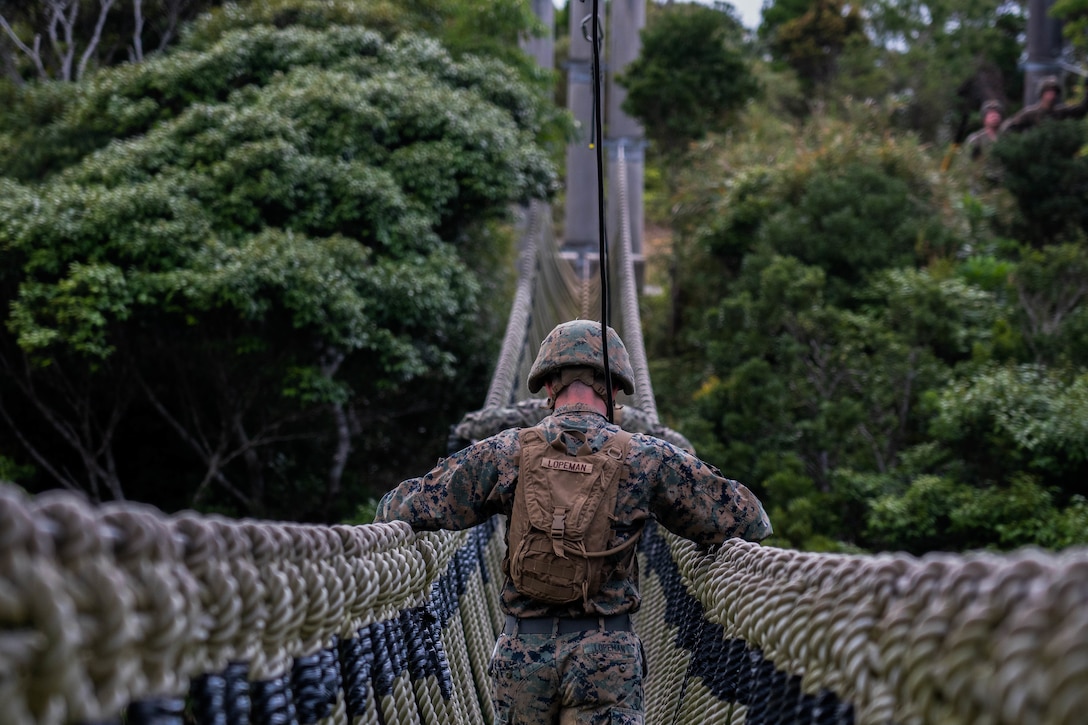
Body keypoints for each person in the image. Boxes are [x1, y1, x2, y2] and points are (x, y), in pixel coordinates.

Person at [374, 319, 772, 724]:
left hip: (520, 655)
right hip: (607, 658)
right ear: (615, 389)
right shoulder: (647, 456)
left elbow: (403, 507)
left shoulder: (507, 450)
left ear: (549, 386)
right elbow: (748, 519)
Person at [1001, 75, 1088, 133]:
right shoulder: (1030, 114)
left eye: (1054, 91)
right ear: (1042, 93)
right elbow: (1008, 128)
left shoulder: (1061, 112)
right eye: (1048, 91)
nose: (1052, 94)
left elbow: (1081, 110)